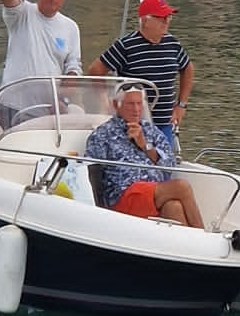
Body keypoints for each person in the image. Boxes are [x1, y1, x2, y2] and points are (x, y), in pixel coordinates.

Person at [85, 86, 205, 227]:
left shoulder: (150, 130)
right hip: (123, 195)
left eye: (139, 104)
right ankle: (204, 236)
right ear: (116, 106)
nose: (136, 109)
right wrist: (99, 213)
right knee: (181, 187)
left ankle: (186, 247)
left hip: (154, 192)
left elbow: (170, 166)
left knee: (174, 207)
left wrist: (145, 146)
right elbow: (92, 173)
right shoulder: (102, 135)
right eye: (130, 104)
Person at [92, 0, 193, 146]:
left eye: (168, 17)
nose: (166, 22)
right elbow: (95, 71)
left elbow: (188, 69)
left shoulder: (173, 44)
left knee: (164, 165)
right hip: (132, 125)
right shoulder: (125, 46)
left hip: (165, 124)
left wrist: (181, 105)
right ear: (146, 21)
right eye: (162, 18)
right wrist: (105, 101)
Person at [0, 0, 82, 121]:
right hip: (12, 105)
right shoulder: (22, 14)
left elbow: (73, 66)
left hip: (49, 111)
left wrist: (63, 98)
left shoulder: (71, 27)